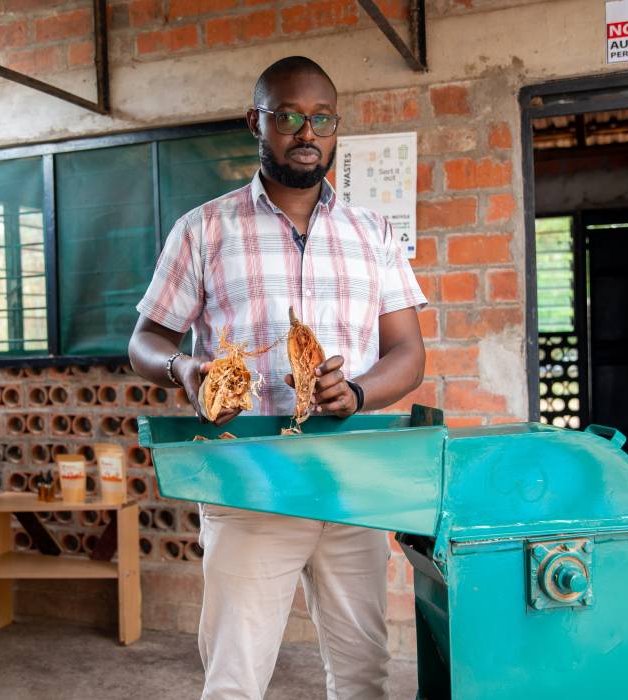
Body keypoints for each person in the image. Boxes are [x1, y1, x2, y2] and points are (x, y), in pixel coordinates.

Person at [129, 56, 427, 699]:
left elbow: (408, 353)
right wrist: (187, 370)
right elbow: (145, 341)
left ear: (336, 127)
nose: (306, 132)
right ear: (255, 123)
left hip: (350, 483)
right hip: (249, 479)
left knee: (363, 674)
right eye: (288, 115)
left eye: (322, 117)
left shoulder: (373, 233)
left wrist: (358, 392)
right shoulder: (204, 228)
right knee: (235, 677)